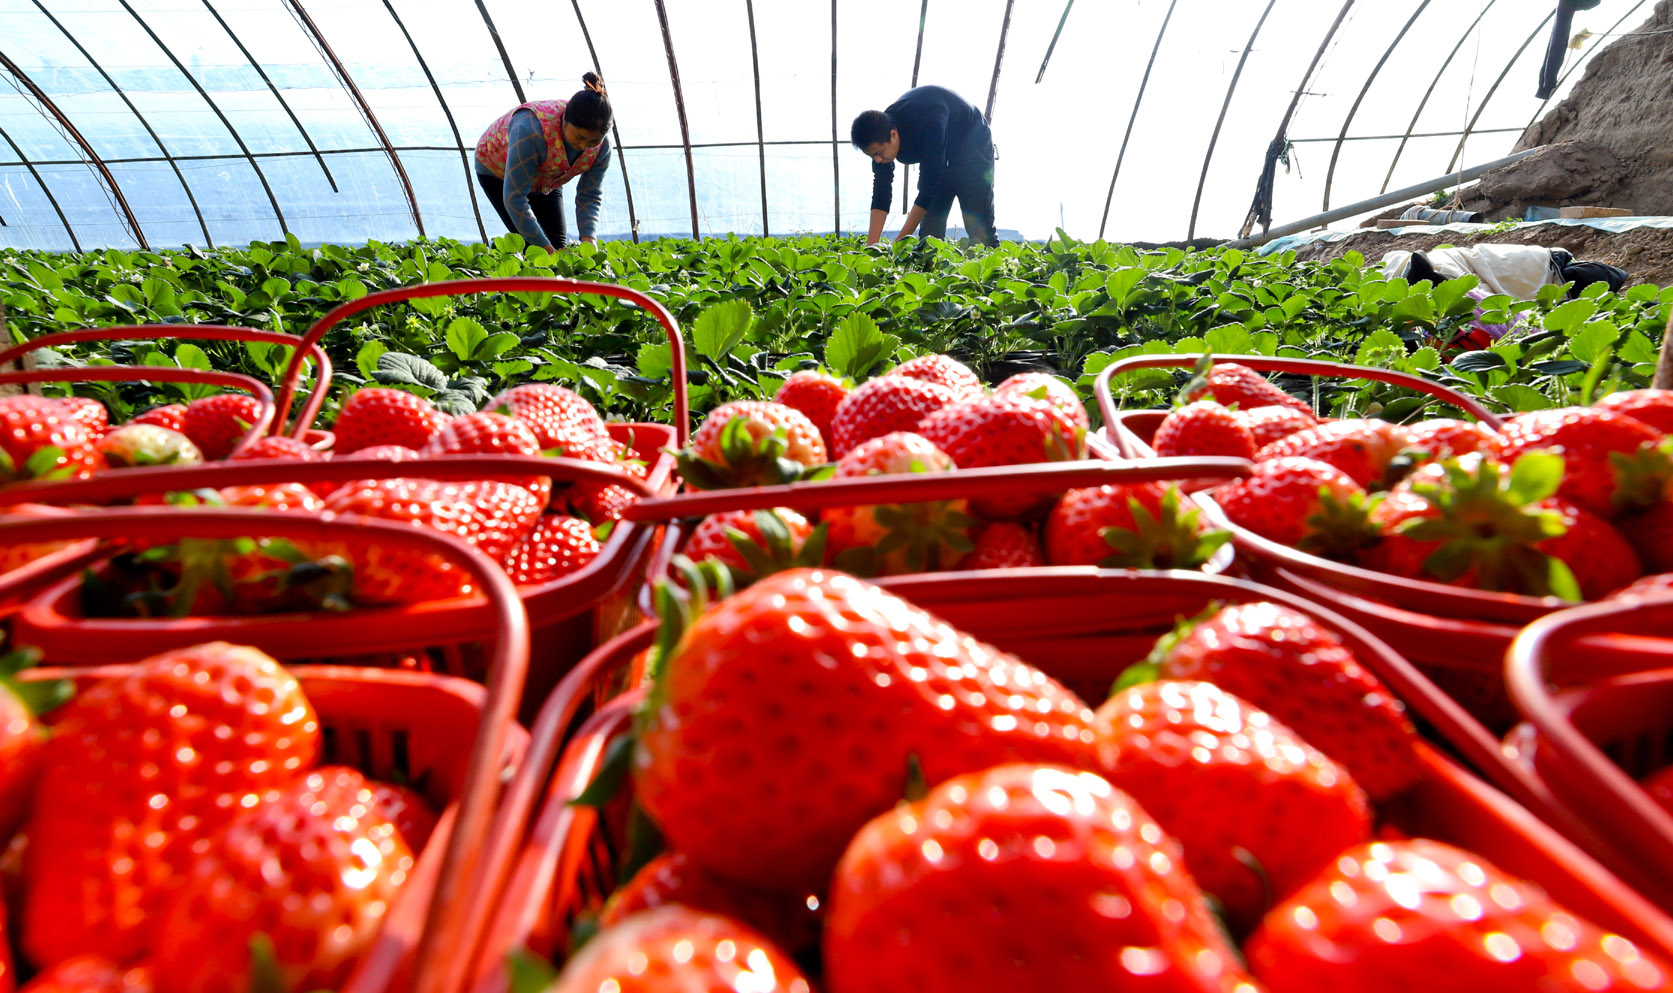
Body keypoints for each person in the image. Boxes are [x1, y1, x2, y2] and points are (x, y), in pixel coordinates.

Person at [474, 73, 613, 250]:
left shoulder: (602, 148)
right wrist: (547, 251)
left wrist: (589, 241)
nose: (584, 146)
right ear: (564, 119)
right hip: (497, 170)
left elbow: (590, 194)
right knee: (532, 249)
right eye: (580, 137)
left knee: (558, 246)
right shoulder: (531, 131)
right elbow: (514, 198)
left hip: (547, 178)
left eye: (594, 141)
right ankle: (502, 260)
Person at [851, 85, 998, 248]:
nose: (877, 160)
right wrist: (871, 247)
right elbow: (881, 192)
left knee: (981, 233)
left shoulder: (928, 121)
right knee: (929, 236)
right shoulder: (879, 135)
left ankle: (993, 265)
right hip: (938, 153)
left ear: (893, 135)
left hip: (972, 146)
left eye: (878, 153)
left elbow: (928, 187)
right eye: (872, 156)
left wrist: (898, 244)